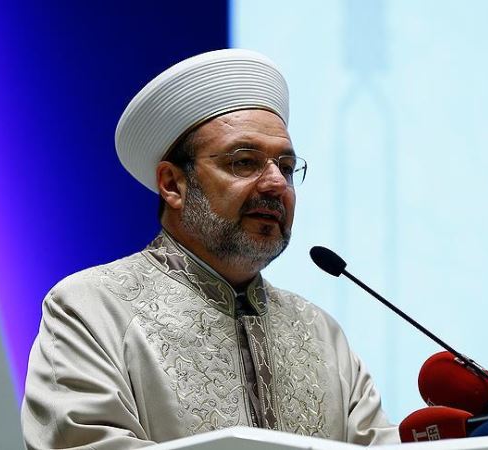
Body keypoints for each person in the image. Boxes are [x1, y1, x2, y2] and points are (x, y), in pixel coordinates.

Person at [21, 49, 398, 449]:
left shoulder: (319, 332)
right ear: (172, 184)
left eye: (286, 168)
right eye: (244, 162)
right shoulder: (92, 309)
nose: (276, 184)